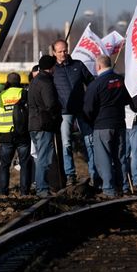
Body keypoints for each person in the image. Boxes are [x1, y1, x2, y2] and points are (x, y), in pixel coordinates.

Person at [83, 55, 130, 197]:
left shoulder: (96, 84)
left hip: (102, 125)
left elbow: (88, 108)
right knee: (120, 157)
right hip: (120, 123)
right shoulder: (121, 80)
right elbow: (127, 99)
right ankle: (123, 186)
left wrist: (90, 121)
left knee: (104, 158)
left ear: (98, 66)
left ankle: (109, 189)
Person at [52, 39, 93, 184]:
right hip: (64, 112)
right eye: (60, 51)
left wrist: (89, 101)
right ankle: (70, 174)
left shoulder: (78, 65)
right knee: (66, 144)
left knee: (89, 142)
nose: (63, 54)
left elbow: (91, 82)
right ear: (54, 53)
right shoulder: (53, 69)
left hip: (82, 109)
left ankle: (94, 173)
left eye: (65, 50)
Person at [0, 72, 33, 196]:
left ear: (8, 82)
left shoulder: (1, 95)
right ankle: (24, 192)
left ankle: (3, 191)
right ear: (19, 81)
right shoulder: (24, 93)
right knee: (24, 164)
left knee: (4, 165)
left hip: (6, 134)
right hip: (22, 133)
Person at [28, 55, 62, 195]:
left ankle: (41, 186)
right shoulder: (46, 82)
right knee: (44, 157)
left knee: (40, 157)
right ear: (51, 67)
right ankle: (42, 188)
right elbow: (50, 104)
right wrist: (57, 116)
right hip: (44, 124)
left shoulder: (35, 81)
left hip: (34, 123)